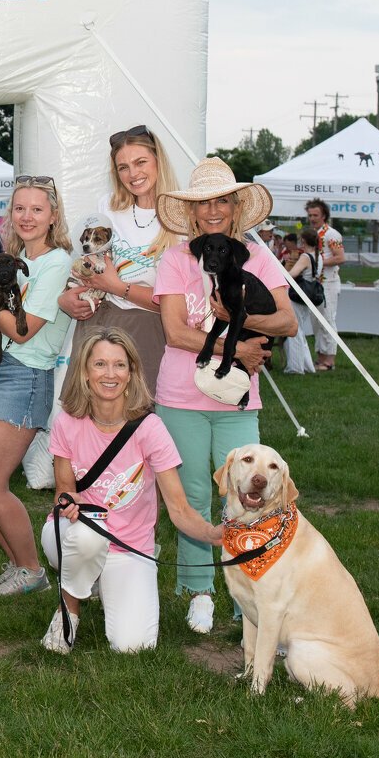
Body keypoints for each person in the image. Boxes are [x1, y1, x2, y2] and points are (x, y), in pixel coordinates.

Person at [151, 158, 297, 634]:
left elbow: (288, 322)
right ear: (192, 213)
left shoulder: (258, 258)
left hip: (237, 399)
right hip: (180, 397)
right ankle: (199, 591)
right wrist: (236, 348)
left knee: (249, 494)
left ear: (235, 208)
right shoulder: (176, 260)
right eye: (204, 204)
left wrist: (241, 322)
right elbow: (175, 332)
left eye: (222, 201)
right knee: (192, 493)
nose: (213, 211)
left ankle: (248, 595)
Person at [39, 327, 222, 653]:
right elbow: (63, 490)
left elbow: (179, 509)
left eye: (119, 365)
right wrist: (69, 501)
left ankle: (98, 580)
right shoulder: (67, 421)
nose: (110, 374)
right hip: (76, 533)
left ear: (131, 372)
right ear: (84, 372)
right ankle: (70, 607)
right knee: (86, 538)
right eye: (100, 364)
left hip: (130, 546)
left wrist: (214, 534)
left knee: (134, 646)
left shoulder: (150, 428)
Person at [0, 175, 75, 595]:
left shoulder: (57, 262)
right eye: (20, 208)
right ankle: (18, 563)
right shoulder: (14, 259)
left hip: (23, 375)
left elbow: (23, 332)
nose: (27, 217)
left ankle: (32, 570)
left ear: (53, 216)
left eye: (37, 209)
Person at [59, 124, 182, 382]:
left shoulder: (181, 217)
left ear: (158, 160)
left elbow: (179, 307)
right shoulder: (108, 207)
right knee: (91, 404)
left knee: (140, 404)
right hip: (99, 324)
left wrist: (117, 287)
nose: (133, 174)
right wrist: (67, 299)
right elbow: (88, 267)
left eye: (140, 162)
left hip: (149, 329)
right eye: (123, 167)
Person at [305, 198, 345, 371]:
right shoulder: (314, 233)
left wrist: (317, 263)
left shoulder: (332, 234)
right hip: (316, 283)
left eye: (316, 215)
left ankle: (329, 360)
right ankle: (320, 357)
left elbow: (340, 258)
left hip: (328, 283)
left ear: (324, 216)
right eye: (310, 215)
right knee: (316, 322)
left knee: (327, 320)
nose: (312, 218)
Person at [280, 229, 320, 375]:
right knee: (300, 330)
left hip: (298, 295)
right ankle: (307, 365)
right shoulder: (318, 256)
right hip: (308, 295)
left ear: (303, 240)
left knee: (294, 330)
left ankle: (296, 367)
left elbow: (291, 274)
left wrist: (282, 266)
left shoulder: (305, 256)